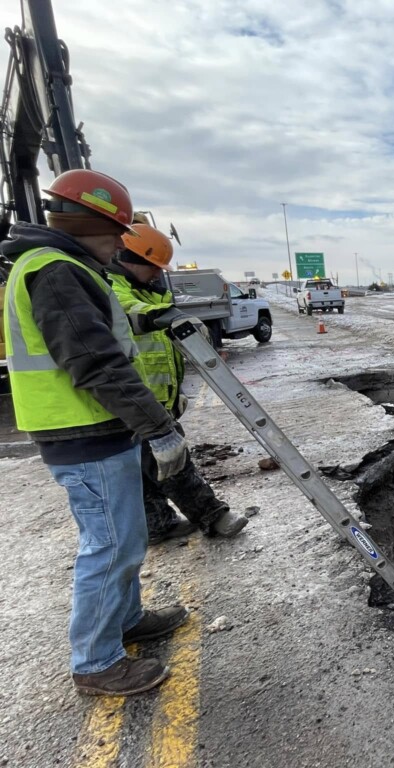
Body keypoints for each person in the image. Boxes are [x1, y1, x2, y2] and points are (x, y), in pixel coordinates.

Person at [1, 169, 193, 696]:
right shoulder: (56, 271)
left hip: (96, 429)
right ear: (89, 224)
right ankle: (95, 662)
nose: (119, 246)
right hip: (80, 430)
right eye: (116, 234)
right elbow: (97, 362)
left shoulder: (68, 267)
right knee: (110, 546)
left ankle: (125, 621)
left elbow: (106, 333)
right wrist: (160, 428)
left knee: (123, 538)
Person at [108, 221, 248, 544]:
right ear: (132, 260)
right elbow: (128, 312)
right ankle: (213, 515)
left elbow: (163, 352)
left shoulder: (150, 289)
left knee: (143, 467)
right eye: (153, 267)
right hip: (135, 400)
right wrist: (167, 314)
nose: (158, 275)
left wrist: (176, 394)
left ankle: (158, 524)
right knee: (172, 463)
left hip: (156, 397)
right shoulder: (113, 288)